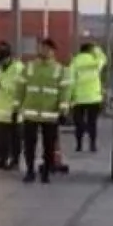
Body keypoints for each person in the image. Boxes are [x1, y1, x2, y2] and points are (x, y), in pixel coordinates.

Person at [19, 39, 70, 183]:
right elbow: (20, 88)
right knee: (29, 145)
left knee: (49, 146)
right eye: (42, 48)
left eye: (47, 49)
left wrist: (63, 110)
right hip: (31, 113)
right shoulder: (29, 67)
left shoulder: (59, 70)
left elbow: (65, 91)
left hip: (50, 114)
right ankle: (30, 171)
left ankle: (46, 172)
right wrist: (16, 108)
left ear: (53, 51)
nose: (44, 51)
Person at [0, 40, 24, 171]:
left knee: (14, 138)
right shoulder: (1, 68)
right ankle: (2, 159)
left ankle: (14, 160)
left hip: (13, 108)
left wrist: (0, 85)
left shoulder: (18, 68)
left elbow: (18, 86)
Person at [68, 41, 109, 152]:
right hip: (93, 97)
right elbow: (104, 59)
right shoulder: (95, 61)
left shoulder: (75, 62)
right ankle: (92, 144)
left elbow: (70, 80)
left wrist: (69, 97)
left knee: (79, 123)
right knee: (92, 122)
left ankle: (79, 145)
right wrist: (97, 49)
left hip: (78, 97)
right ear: (90, 50)